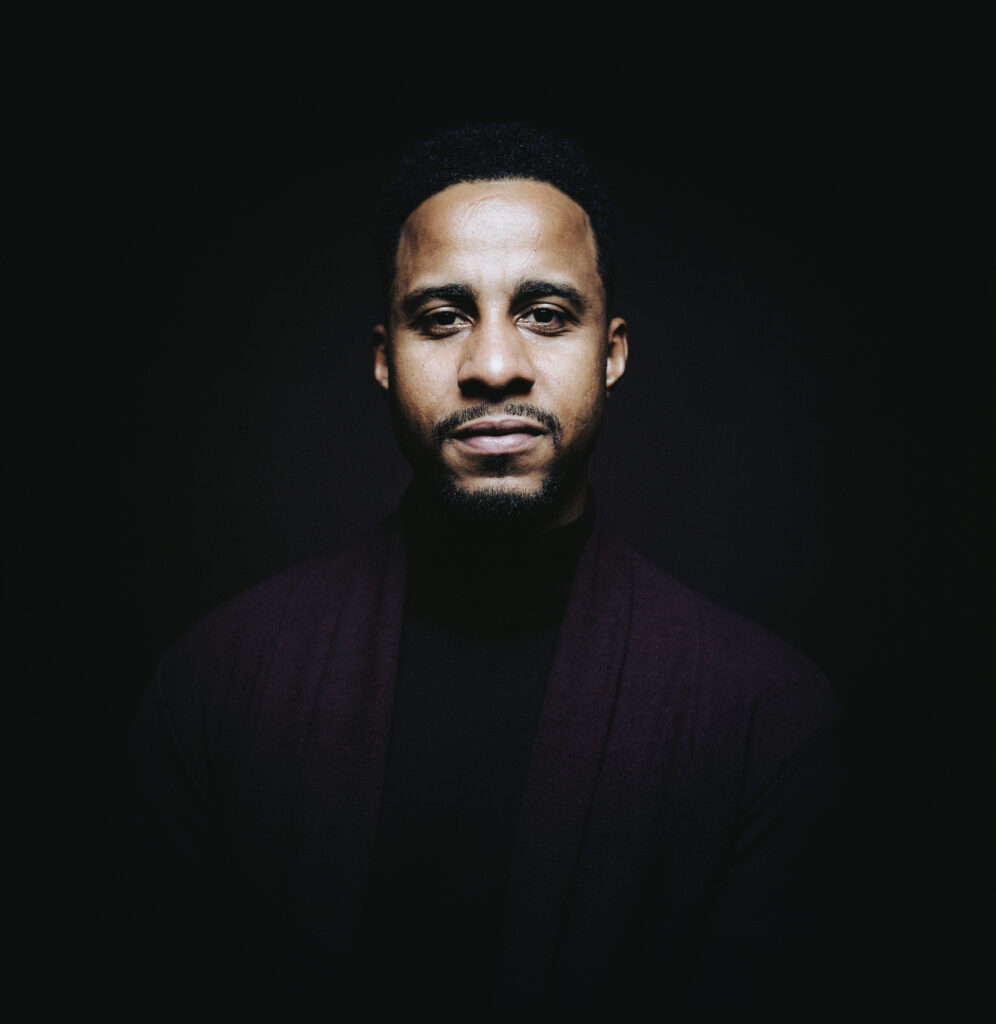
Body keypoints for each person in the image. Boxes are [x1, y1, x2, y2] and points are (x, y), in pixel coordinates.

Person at [105, 123, 844, 1009]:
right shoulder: (216, 687)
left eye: (545, 315)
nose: (494, 365)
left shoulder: (764, 720)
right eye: (443, 318)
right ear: (385, 358)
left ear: (612, 353)